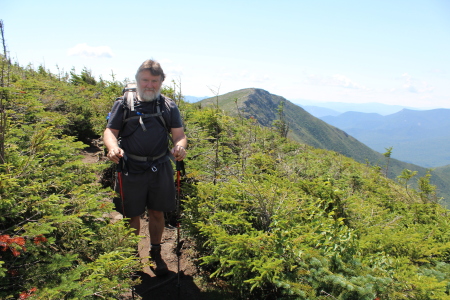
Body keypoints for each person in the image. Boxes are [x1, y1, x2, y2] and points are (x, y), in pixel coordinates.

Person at [103, 59, 187, 276]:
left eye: (154, 81)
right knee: (131, 214)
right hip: (130, 166)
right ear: (137, 80)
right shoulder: (123, 103)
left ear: (161, 81)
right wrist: (112, 148)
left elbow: (179, 135)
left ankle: (155, 252)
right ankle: (132, 255)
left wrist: (179, 147)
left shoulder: (168, 106)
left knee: (157, 212)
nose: (149, 85)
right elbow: (110, 131)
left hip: (160, 166)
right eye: (145, 80)